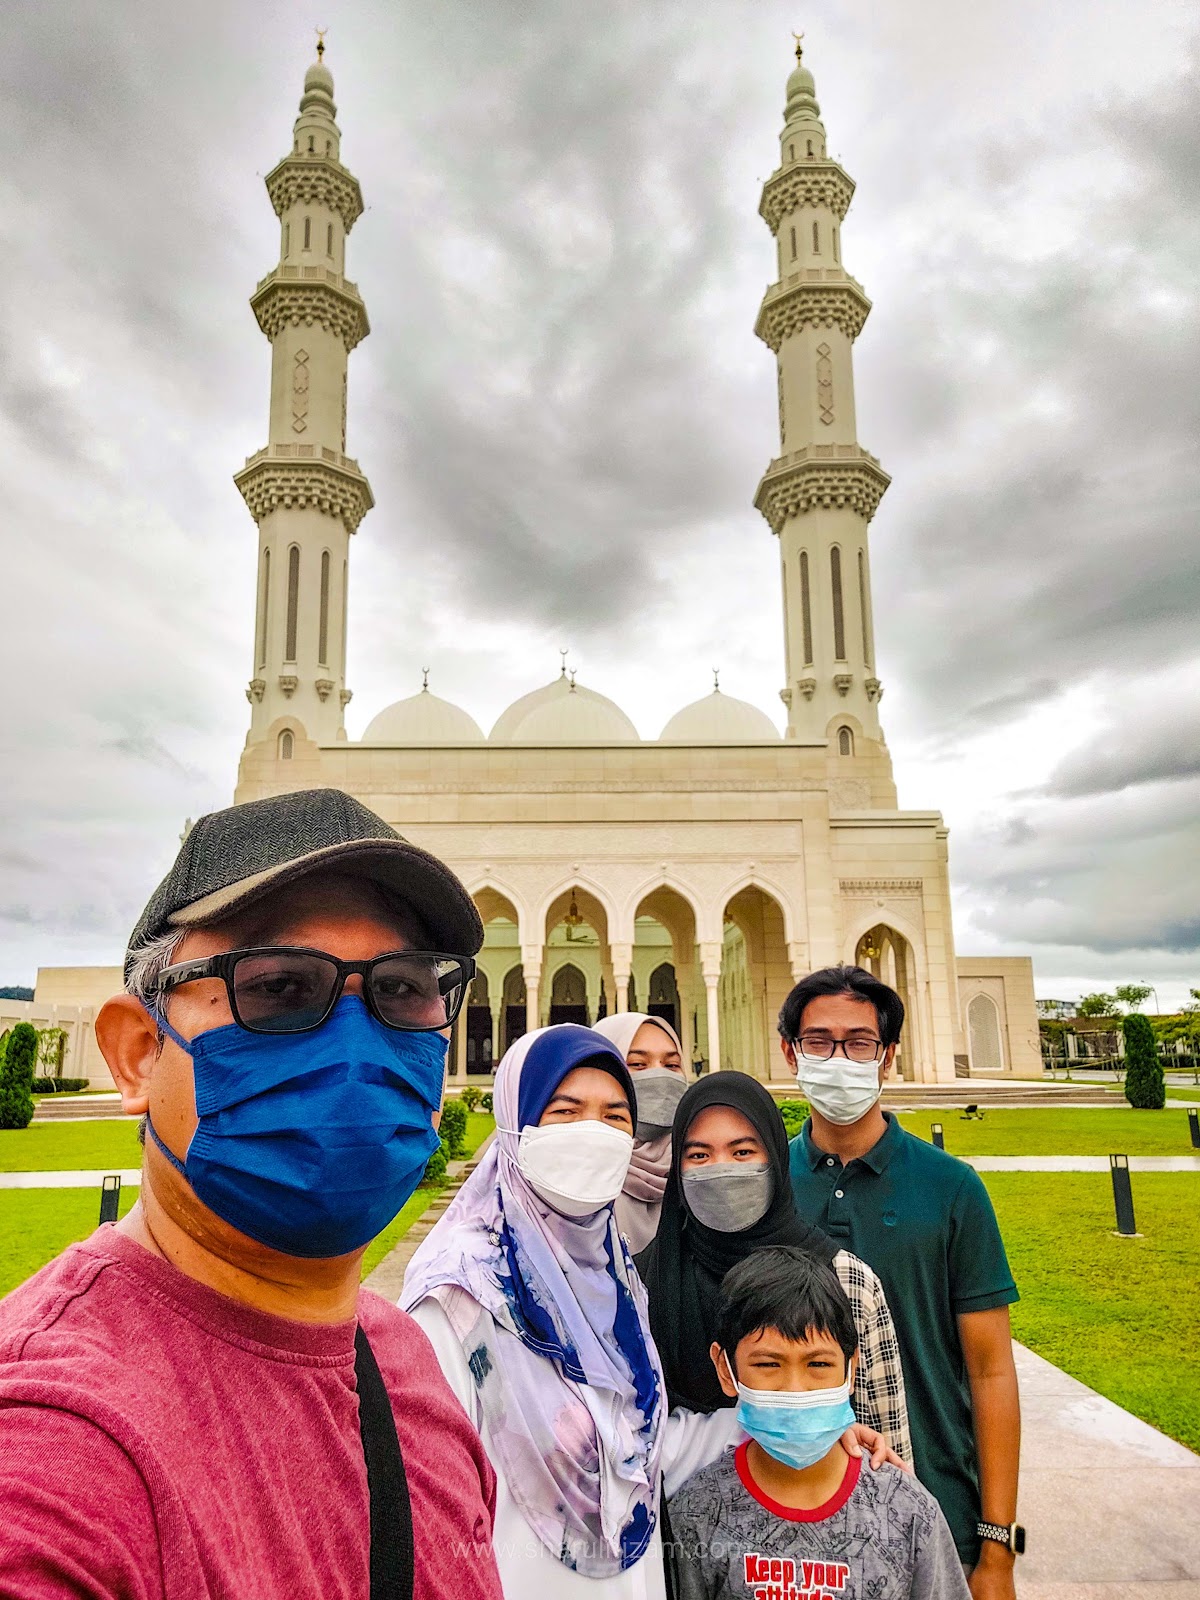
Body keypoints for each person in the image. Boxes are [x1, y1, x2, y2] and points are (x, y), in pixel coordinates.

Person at [0, 788, 503, 1600]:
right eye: (277, 988)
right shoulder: (57, 1442)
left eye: (403, 989)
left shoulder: (401, 1358)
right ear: (136, 1054)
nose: (353, 1043)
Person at [402, 1025, 900, 1599]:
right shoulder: (458, 1300)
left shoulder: (612, 1281)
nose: (593, 1133)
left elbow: (641, 1442)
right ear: (516, 1126)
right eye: (566, 1112)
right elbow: (424, 1518)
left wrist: (800, 1423)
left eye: (615, 1117)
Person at [781, 966, 1021, 1596]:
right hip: (789, 1522)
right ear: (790, 1052)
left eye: (859, 1042)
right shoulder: (767, 1184)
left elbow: (991, 1371)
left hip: (938, 1511)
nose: (839, 1058)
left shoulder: (950, 1188)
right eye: (819, 1041)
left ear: (887, 1056)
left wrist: (997, 1550)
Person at [636, 1072, 911, 1460]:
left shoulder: (846, 1281)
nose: (721, 1169)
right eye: (699, 1155)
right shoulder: (640, 1284)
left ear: (776, 1159)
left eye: (743, 1152)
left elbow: (888, 1450)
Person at [668, 1247, 970, 1600]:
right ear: (725, 1369)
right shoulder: (697, 1512)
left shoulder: (908, 1510)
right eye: (768, 1365)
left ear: (851, 1367)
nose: (796, 1390)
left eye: (819, 1365)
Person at [593, 1011, 689, 1251]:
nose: (659, 1074)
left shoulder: (699, 1162)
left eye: (671, 1065)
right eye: (637, 1064)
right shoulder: (579, 1174)